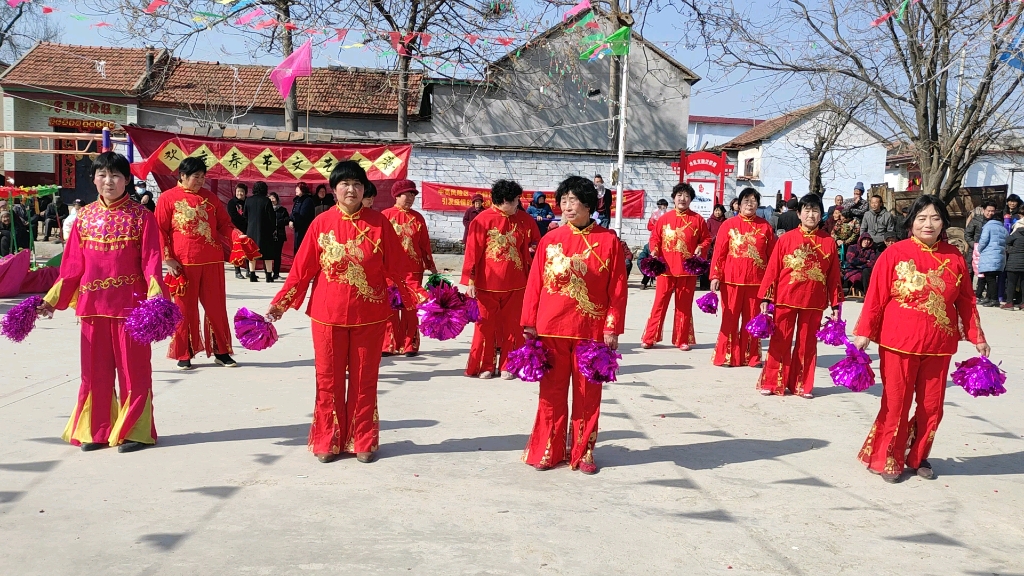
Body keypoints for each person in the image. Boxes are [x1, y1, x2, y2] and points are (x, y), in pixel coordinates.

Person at [266, 161, 417, 464]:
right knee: (328, 379)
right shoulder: (321, 223)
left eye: (358, 184)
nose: (352, 189)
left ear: (365, 190)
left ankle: (363, 439)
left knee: (365, 379)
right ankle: (327, 438)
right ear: (334, 189)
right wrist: (281, 302)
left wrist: (426, 297)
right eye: (345, 184)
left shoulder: (379, 224)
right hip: (327, 315)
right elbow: (302, 269)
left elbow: (401, 268)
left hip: (370, 315)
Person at [852, 195, 988, 483]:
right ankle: (889, 455)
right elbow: (876, 296)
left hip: (939, 344)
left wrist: (977, 337)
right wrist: (865, 332)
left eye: (935, 218)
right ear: (911, 223)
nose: (928, 224)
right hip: (898, 342)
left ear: (943, 224)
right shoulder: (894, 254)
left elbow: (966, 301)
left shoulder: (954, 257)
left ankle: (918, 455)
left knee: (932, 407)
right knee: (897, 403)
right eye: (922, 218)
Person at [37, 152, 167, 453]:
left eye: (116, 176)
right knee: (94, 373)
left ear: (126, 180)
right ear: (94, 178)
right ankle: (97, 430)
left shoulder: (142, 217)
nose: (109, 181)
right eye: (102, 175)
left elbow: (151, 261)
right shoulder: (83, 218)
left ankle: (136, 431)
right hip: (92, 307)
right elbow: (71, 267)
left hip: (131, 310)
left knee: (135, 371)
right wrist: (51, 300)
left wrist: (155, 298)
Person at [521, 175, 627, 474]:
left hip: (590, 331)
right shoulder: (550, 240)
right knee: (551, 394)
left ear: (589, 204)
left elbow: (617, 289)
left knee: (587, 395)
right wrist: (529, 322)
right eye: (563, 200)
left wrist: (611, 327)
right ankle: (548, 449)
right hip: (551, 327)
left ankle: (584, 451)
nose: (567, 206)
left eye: (574, 201)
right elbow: (535, 284)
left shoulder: (608, 242)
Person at [155, 156, 241, 371]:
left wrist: (238, 236)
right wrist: (168, 258)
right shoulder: (168, 198)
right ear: (182, 176)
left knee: (216, 307)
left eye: (203, 176)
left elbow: (224, 224)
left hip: (212, 261)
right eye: (196, 176)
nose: (200, 180)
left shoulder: (210, 198)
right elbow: (160, 230)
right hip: (183, 263)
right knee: (184, 309)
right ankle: (184, 352)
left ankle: (221, 351)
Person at [756, 194, 843, 398]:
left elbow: (833, 278)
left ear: (821, 214)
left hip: (814, 300)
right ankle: (772, 382)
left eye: (815, 211)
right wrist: (766, 298)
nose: (811, 215)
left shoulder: (829, 242)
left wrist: (836, 305)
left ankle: (802, 385)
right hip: (786, 297)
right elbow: (773, 270)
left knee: (807, 344)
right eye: (807, 210)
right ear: (799, 213)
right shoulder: (786, 239)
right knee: (780, 340)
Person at [461, 180, 541, 379]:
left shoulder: (523, 219)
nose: (517, 204)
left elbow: (538, 242)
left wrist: (532, 250)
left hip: (517, 283)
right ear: (504, 201)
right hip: (487, 283)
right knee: (484, 326)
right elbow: (472, 252)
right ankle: (484, 365)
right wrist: (471, 281)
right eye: (515, 201)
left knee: (513, 326)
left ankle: (509, 366)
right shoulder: (482, 220)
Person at [709, 187, 776, 367]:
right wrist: (715, 275)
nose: (750, 204)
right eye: (746, 201)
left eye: (754, 201)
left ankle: (750, 356)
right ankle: (727, 355)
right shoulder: (728, 225)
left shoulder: (766, 227)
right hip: (730, 281)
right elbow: (719, 253)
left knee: (752, 320)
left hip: (756, 283)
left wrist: (771, 285)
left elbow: (773, 259)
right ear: (739, 204)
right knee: (729, 319)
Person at [641, 182, 711, 351]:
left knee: (684, 306)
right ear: (674, 198)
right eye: (679, 195)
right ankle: (650, 338)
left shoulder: (698, 219)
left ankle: (682, 339)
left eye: (686, 196)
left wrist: (701, 248)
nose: (683, 199)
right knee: (659, 303)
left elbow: (707, 239)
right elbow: (655, 238)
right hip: (665, 269)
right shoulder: (664, 219)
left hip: (687, 270)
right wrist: (655, 251)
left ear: (691, 199)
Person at [381, 179, 436, 357]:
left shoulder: (418, 218)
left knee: (411, 308)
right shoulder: (385, 216)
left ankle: (410, 344)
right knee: (390, 307)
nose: (411, 198)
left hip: (413, 269)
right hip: (390, 270)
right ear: (397, 195)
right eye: (408, 194)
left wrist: (431, 266)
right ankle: (388, 345)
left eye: (413, 194)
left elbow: (424, 244)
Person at [244, 181, 278, 283]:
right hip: (265, 231)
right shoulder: (266, 201)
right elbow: (272, 217)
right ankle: (268, 276)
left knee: (251, 253)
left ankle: (252, 274)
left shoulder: (248, 200)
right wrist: (272, 229)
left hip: (251, 231)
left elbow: (245, 216)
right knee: (267, 254)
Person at [977, 200, 1008, 307]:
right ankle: (989, 297)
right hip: (1000, 258)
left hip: (989, 257)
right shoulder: (1004, 229)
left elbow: (983, 241)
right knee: (992, 278)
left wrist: (980, 250)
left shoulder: (988, 227)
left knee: (990, 279)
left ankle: (993, 299)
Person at [227, 183, 249, 279]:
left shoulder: (248, 202)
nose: (240, 193)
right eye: (238, 191)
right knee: (236, 250)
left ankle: (249, 270)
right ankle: (237, 271)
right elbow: (233, 215)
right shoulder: (232, 202)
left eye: (242, 192)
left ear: (245, 193)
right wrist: (245, 220)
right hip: (235, 229)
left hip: (248, 229)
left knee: (248, 249)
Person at [1003, 220, 1024, 310]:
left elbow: (1006, 241)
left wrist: (1010, 250)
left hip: (1013, 263)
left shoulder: (1016, 234)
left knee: (1011, 284)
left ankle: (1009, 303)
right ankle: (1023, 303)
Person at [269, 192, 290, 280]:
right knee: (268, 255)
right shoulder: (267, 209)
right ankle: (268, 273)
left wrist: (278, 222)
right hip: (269, 235)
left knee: (277, 255)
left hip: (279, 235)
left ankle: (276, 273)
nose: (272, 200)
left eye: (273, 198)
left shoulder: (282, 210)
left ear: (277, 199)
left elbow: (287, 219)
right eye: (270, 199)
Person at [291, 182, 316, 253]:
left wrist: (294, 220)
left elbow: (303, 216)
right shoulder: (298, 200)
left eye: (298, 188)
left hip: (304, 229)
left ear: (303, 189)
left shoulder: (307, 200)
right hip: (298, 229)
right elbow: (293, 212)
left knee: (302, 250)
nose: (296, 189)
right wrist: (291, 220)